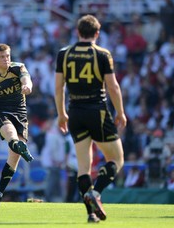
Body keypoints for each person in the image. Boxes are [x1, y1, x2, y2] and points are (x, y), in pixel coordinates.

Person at [54, 14, 126, 223]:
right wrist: (120, 111)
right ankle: (97, 192)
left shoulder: (64, 54)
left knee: (83, 166)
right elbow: (112, 86)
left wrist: (61, 114)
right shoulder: (103, 54)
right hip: (97, 110)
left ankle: (91, 214)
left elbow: (59, 88)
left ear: (78, 32)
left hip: (75, 111)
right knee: (117, 159)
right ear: (97, 33)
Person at [0, 43, 34, 207]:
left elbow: (27, 79)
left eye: (8, 56)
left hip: (21, 114)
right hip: (1, 114)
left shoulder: (18, 68)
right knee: (11, 135)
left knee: (13, 158)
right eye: (2, 57)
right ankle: (19, 145)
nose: (6, 59)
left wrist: (27, 87)